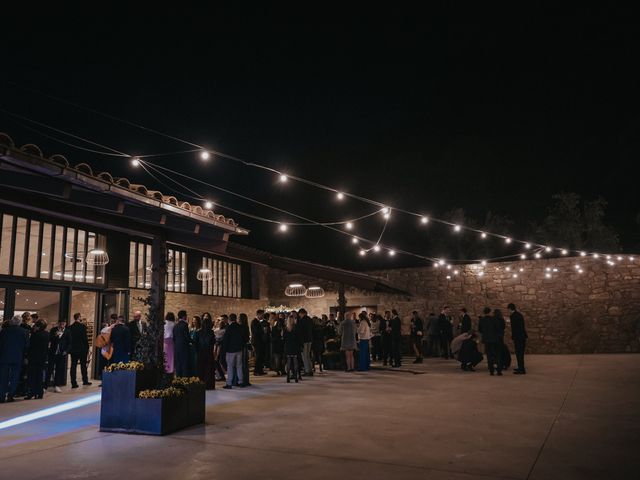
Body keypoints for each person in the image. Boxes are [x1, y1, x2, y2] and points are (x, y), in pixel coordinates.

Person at [0, 315, 29, 402]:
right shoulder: (25, 332)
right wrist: (25, 357)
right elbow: (26, 346)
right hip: (17, 357)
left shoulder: (4, 331)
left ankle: (1, 396)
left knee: (3, 377)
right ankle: (10, 395)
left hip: (5, 357)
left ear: (12, 321)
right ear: (20, 322)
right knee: (14, 377)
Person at [25, 319, 49, 399]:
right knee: (40, 375)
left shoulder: (35, 335)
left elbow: (31, 347)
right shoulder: (47, 334)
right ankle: (40, 393)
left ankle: (32, 392)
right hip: (42, 358)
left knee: (32, 375)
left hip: (34, 358)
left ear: (38, 326)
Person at [478, 307, 505, 376]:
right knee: (497, 355)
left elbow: (480, 330)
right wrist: (500, 336)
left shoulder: (481, 320)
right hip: (495, 339)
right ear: (490, 312)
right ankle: (499, 371)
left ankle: (491, 371)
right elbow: (499, 329)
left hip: (487, 340)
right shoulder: (494, 319)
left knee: (489, 355)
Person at [222, 313, 245, 389]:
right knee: (239, 366)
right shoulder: (240, 327)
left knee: (230, 367)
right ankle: (241, 382)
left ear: (229, 319)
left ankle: (229, 383)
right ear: (235, 319)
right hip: (239, 350)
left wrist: (224, 350)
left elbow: (226, 340)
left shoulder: (229, 327)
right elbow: (243, 338)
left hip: (230, 350)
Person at [48, 319, 72, 392]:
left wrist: (66, 351)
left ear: (65, 324)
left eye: (63, 324)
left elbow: (69, 343)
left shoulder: (68, 331)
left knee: (59, 369)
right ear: (58, 324)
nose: (62, 325)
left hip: (62, 353)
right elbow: (50, 339)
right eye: (61, 324)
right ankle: (45, 386)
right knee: (50, 369)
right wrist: (55, 336)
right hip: (53, 352)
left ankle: (56, 385)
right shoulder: (53, 330)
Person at [69, 313, 91, 388]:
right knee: (83, 365)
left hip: (74, 349)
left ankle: (73, 383)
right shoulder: (82, 327)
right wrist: (87, 348)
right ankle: (85, 380)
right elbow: (85, 339)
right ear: (79, 317)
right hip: (82, 349)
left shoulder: (70, 327)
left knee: (73, 366)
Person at [195, 315, 215, 389]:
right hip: (209, 353)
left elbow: (196, 343)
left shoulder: (198, 332)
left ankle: (201, 384)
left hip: (200, 353)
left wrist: (198, 351)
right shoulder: (211, 332)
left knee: (201, 369)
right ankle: (209, 385)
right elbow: (213, 342)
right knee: (209, 369)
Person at [508, 303, 528, 374]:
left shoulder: (513, 316)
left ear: (510, 308)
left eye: (508, 310)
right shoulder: (519, 315)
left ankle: (521, 369)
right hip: (522, 336)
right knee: (520, 353)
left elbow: (514, 328)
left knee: (519, 353)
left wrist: (513, 336)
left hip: (518, 337)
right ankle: (520, 367)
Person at [173, 310, 191, 377]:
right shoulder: (185, 325)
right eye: (186, 315)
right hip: (184, 347)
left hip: (177, 347)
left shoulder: (176, 325)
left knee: (178, 365)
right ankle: (184, 381)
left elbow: (174, 337)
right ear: (184, 316)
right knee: (184, 365)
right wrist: (192, 342)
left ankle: (178, 380)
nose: (186, 316)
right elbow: (187, 337)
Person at [283, 313, 300, 383]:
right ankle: (296, 377)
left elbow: (283, 338)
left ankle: (288, 377)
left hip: (288, 346)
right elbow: (298, 338)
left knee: (289, 362)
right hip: (294, 346)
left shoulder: (285, 329)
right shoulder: (296, 328)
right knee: (295, 361)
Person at [297, 308, 314, 376]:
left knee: (304, 356)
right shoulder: (309, 319)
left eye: (299, 314)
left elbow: (300, 331)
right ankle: (310, 369)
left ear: (301, 313)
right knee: (307, 356)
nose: (299, 315)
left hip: (304, 340)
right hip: (309, 339)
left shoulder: (302, 320)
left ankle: (307, 371)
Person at [250, 310, 266, 376]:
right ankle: (256, 371)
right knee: (258, 356)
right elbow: (257, 332)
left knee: (260, 356)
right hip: (257, 341)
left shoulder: (257, 321)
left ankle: (260, 370)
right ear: (258, 314)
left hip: (259, 341)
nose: (263, 316)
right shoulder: (254, 321)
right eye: (262, 315)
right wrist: (263, 331)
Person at [238, 313, 252, 386]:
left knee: (242, 364)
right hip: (244, 347)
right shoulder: (246, 326)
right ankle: (246, 380)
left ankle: (243, 381)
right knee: (245, 365)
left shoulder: (240, 327)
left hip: (241, 347)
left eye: (239, 317)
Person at [213, 316, 227, 381]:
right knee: (216, 361)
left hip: (220, 347)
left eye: (220, 321)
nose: (218, 322)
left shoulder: (223, 330)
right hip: (216, 346)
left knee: (217, 361)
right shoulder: (216, 329)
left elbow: (218, 338)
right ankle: (220, 375)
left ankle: (221, 375)